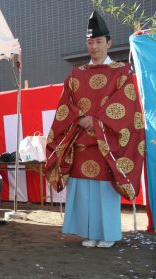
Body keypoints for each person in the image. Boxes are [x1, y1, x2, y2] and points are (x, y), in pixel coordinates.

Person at [46, 11, 145, 248]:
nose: (94, 46)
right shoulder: (76, 75)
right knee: (84, 190)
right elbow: (65, 104)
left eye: (99, 41)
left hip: (107, 143)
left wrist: (97, 120)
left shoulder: (122, 72)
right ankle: (88, 233)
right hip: (81, 141)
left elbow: (126, 105)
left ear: (109, 43)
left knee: (103, 189)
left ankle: (108, 235)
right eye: (90, 42)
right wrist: (79, 118)